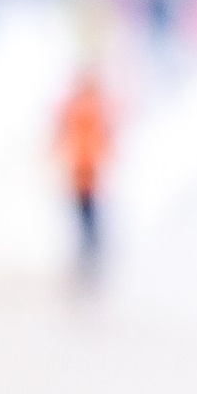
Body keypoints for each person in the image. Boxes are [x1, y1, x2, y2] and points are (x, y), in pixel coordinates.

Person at [53, 56, 118, 279]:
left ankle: (90, 252)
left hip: (86, 166)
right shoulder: (89, 104)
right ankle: (90, 251)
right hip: (84, 165)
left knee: (87, 214)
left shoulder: (84, 104)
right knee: (86, 214)